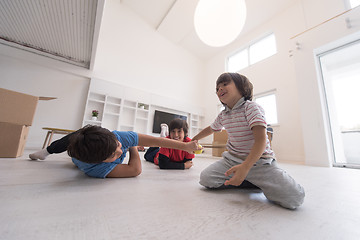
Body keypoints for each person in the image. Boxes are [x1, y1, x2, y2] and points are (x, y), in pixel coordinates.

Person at [191, 72, 305, 209]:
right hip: (231, 160)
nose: (220, 89)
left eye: (225, 84)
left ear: (241, 87)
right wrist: (194, 139)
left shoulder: (251, 107)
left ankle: (255, 177)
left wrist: (246, 167)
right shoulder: (223, 114)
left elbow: (261, 140)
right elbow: (211, 129)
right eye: (217, 88)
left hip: (259, 162)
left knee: (295, 199)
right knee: (206, 179)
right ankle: (248, 180)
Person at [29, 125, 200, 179]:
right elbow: (135, 170)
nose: (120, 150)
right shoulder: (95, 169)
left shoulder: (118, 137)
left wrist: (185, 146)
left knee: (82, 132)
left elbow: (155, 140)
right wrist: (132, 146)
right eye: (115, 155)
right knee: (72, 141)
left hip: (103, 136)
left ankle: (48, 150)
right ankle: (51, 150)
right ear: (102, 162)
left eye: (119, 145)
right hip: (77, 156)